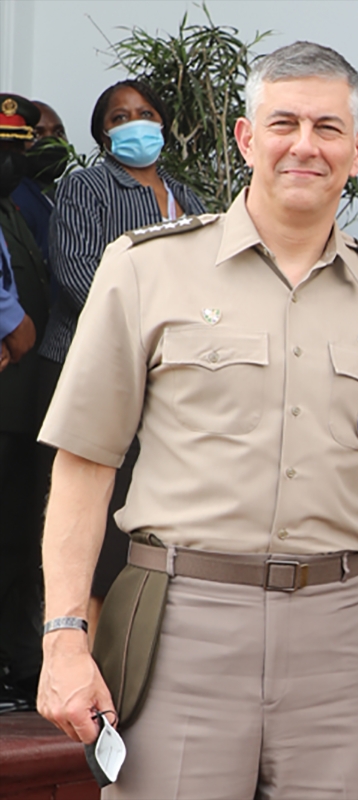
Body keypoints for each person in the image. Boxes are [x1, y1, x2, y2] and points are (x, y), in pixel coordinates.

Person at [36, 41, 358, 798]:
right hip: (180, 631)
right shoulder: (144, 268)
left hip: (333, 638)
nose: (305, 144)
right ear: (245, 138)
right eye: (283, 122)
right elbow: (85, 462)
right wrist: (63, 639)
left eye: (328, 128)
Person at [39, 80, 205, 641]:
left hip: (165, 382)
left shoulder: (191, 199)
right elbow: (76, 273)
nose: (135, 123)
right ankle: (70, 653)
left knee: (143, 515)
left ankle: (126, 651)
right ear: (102, 132)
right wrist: (151, 332)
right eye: (119, 116)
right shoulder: (86, 188)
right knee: (90, 518)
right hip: (87, 369)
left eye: (146, 113)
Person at [0, 93, 52, 714]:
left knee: (16, 537)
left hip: (19, 407)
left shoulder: (16, 209)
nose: (11, 159)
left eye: (16, 148)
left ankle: (16, 659)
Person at [12, 100, 67, 257]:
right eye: (36, 134)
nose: (51, 142)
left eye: (58, 133)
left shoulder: (65, 194)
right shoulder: (15, 196)